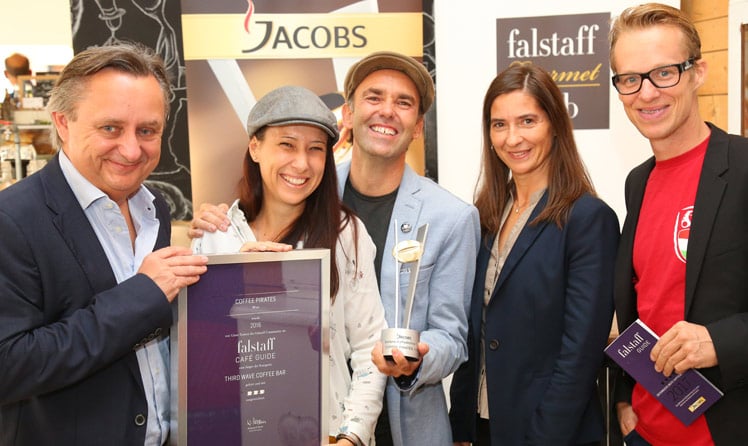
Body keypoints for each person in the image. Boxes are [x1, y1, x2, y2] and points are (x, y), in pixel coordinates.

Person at [190, 51, 480, 446]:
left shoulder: (450, 217)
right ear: (348, 114)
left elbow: (452, 335)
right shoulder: (299, 188)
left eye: (404, 102)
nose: (387, 112)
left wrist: (416, 359)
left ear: (417, 126)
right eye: (374, 97)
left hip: (394, 426)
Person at [0, 43, 209, 445]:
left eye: (147, 131)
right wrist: (141, 296)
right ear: (63, 122)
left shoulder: (155, 208)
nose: (132, 150)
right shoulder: (13, 221)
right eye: (110, 128)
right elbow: (9, 366)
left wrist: (236, 266)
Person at [191, 85, 387, 446]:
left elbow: (369, 348)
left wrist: (351, 437)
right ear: (255, 147)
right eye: (287, 144)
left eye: (315, 150)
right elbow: (199, 350)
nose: (302, 163)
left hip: (327, 433)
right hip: (234, 432)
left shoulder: (347, 235)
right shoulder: (216, 236)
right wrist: (240, 283)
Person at [447, 61, 619, 446]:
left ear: (554, 124)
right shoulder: (486, 213)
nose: (512, 138)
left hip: (551, 432)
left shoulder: (588, 219)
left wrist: (544, 436)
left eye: (528, 121)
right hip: (485, 426)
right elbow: (476, 330)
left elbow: (580, 354)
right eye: (499, 124)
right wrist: (461, 425)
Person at [609, 3, 748, 445]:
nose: (646, 93)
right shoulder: (638, 182)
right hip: (644, 432)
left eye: (664, 72)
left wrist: (721, 341)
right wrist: (625, 400)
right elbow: (642, 306)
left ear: (698, 72)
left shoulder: (744, 169)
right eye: (630, 79)